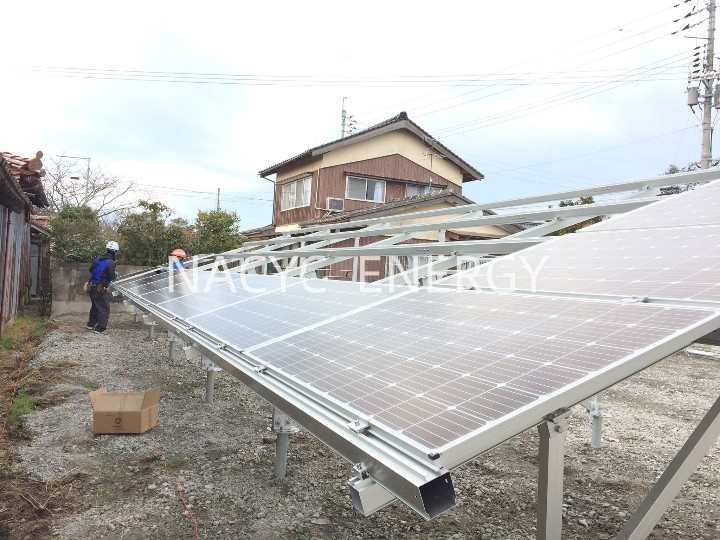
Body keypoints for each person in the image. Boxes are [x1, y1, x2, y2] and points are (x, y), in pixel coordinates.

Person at [86, 241, 118, 334]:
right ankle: (100, 328)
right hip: (100, 288)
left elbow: (91, 270)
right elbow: (112, 277)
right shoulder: (111, 262)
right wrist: (115, 274)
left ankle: (91, 324)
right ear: (115, 252)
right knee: (104, 308)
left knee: (95, 306)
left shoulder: (98, 259)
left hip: (91, 286)